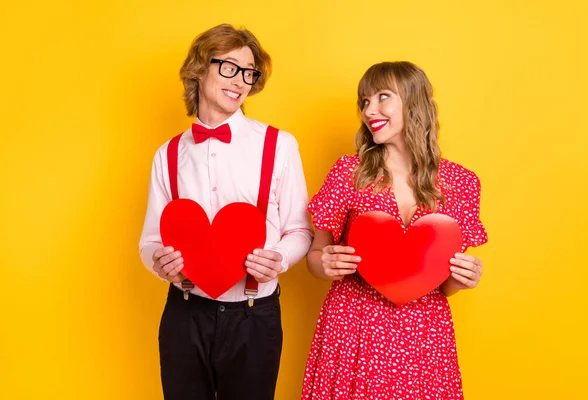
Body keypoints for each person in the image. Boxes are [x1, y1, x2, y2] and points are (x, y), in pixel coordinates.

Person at [139, 24, 312, 400]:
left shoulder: (278, 145)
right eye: (230, 67)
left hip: (255, 315)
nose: (242, 81)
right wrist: (159, 260)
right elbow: (150, 239)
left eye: (250, 72)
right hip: (185, 315)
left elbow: (300, 230)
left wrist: (278, 260)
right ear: (199, 69)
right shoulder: (168, 155)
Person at [301, 61, 488, 399]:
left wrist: (462, 278)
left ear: (414, 102)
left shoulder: (461, 183)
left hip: (424, 337)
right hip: (354, 328)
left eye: (382, 97)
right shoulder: (349, 172)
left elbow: (445, 285)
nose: (369, 109)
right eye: (364, 101)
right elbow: (315, 256)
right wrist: (322, 262)